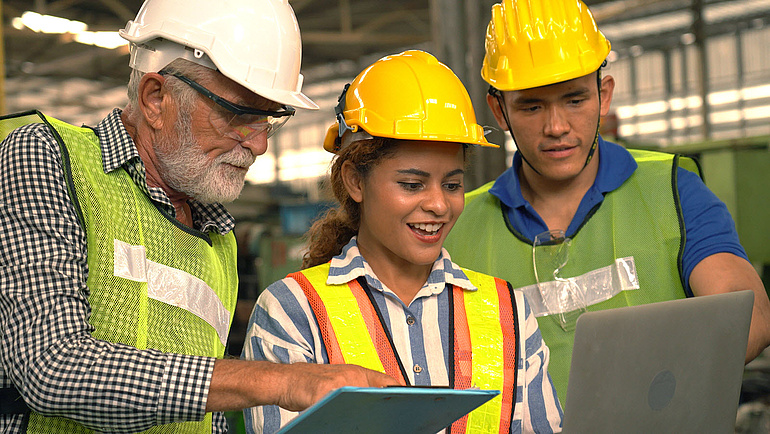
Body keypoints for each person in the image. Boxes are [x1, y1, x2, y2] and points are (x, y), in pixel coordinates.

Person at [0, 0, 397, 432]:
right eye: (241, 114)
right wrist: (281, 380)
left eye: (270, 119)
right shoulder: (48, 157)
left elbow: (204, 414)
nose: (259, 145)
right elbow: (51, 365)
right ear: (156, 98)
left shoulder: (216, 237)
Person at [443, 0, 770, 405]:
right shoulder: (458, 227)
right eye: (531, 106)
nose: (557, 127)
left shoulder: (672, 191)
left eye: (575, 100)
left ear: (604, 94)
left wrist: (650, 387)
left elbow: (748, 315)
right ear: (500, 110)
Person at [241, 50, 563, 433]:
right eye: (412, 185)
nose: (439, 205)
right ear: (355, 181)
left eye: (453, 184)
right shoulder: (293, 313)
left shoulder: (507, 310)